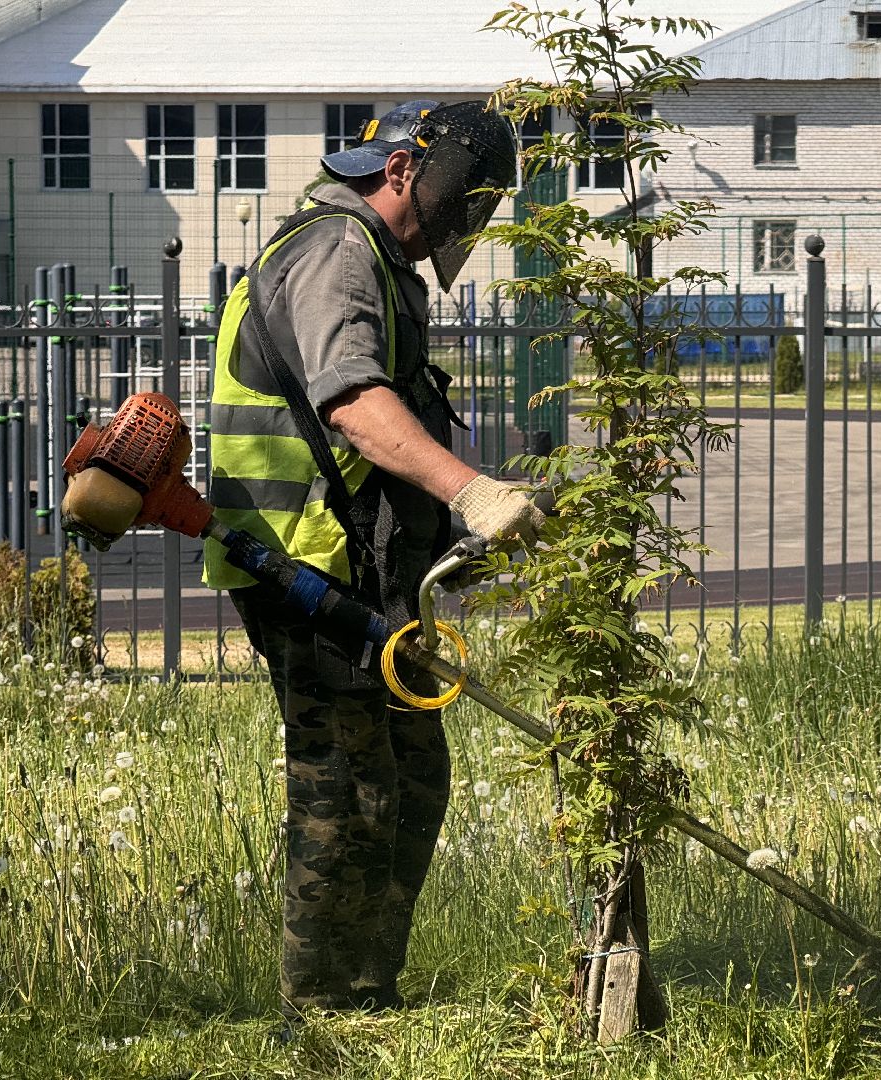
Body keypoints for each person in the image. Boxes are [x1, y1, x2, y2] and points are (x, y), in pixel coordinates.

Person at [203, 99, 544, 1018]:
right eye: (461, 196)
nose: (466, 219)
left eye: (481, 204)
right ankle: (317, 1014)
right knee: (345, 792)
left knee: (412, 779)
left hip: (365, 574)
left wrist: (450, 529)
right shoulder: (335, 252)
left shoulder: (382, 265)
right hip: (304, 572)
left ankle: (366, 987)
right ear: (402, 171)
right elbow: (352, 402)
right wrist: (468, 489)